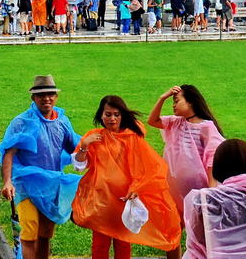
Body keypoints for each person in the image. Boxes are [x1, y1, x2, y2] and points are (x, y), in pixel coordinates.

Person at [72, 95, 181, 259]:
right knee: (100, 245)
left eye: (116, 114)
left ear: (122, 116)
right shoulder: (94, 136)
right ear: (101, 116)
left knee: (123, 243)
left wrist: (137, 188)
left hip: (123, 199)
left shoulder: (131, 138)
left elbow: (145, 167)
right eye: (108, 114)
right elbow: (79, 166)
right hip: (101, 201)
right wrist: (85, 145)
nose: (112, 119)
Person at [1, 74, 81, 259]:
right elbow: (9, 153)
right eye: (41, 94)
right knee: (28, 236)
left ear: (56, 97)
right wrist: (7, 182)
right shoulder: (22, 122)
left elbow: (74, 149)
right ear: (33, 98)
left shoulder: (62, 122)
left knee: (45, 236)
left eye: (51, 94)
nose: (47, 98)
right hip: (25, 187)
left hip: (51, 187)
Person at [148, 85, 225, 209]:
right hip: (175, 185)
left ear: (190, 102)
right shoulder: (177, 122)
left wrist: (212, 189)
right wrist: (162, 98)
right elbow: (152, 121)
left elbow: (212, 157)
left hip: (197, 186)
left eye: (177, 101)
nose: (173, 105)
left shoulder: (206, 127)